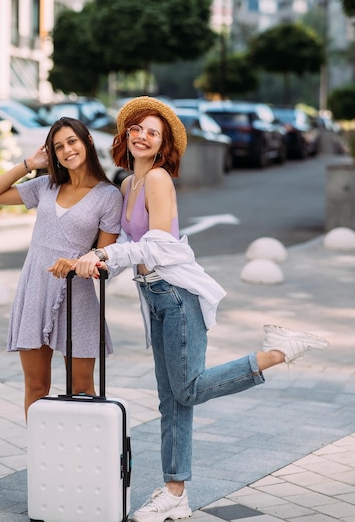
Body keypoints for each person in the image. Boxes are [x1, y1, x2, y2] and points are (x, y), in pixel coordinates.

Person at [49, 97, 329, 522]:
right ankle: (175, 494)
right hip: (155, 297)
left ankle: (277, 353)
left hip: (177, 295)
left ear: (163, 146)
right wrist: (93, 259)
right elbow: (128, 246)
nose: (142, 136)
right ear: (125, 135)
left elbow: (159, 245)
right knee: (171, 401)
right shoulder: (127, 184)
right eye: (136, 129)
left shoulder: (159, 179)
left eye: (152, 132)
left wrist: (106, 259)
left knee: (188, 389)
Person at [0, 117, 123, 419]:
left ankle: (87, 459)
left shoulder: (109, 196)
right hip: (35, 292)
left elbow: (104, 253)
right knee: (36, 385)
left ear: (88, 142)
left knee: (82, 388)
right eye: (58, 147)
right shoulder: (46, 185)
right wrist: (29, 163)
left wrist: (77, 262)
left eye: (72, 141)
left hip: (77, 296)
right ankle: (41, 458)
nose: (67, 150)